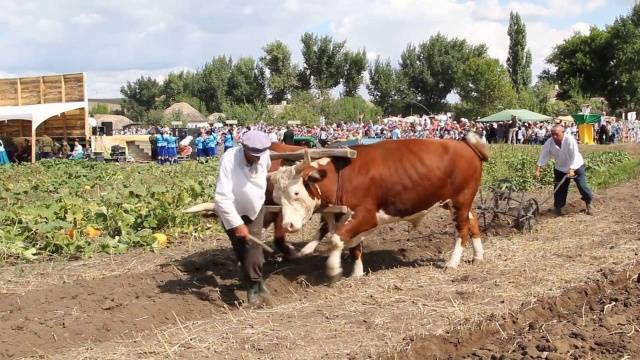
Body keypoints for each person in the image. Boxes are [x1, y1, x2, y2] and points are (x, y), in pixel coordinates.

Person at [214, 130, 272, 307]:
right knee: (240, 248)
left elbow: (265, 171)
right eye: (254, 154)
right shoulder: (229, 159)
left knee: (253, 249)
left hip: (255, 209)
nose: (258, 158)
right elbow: (222, 196)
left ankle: (253, 290)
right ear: (244, 148)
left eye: (260, 154)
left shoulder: (264, 154)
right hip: (232, 210)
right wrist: (237, 223)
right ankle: (255, 279)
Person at [535, 124, 593, 216]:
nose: (554, 136)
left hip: (576, 166)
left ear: (563, 133)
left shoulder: (570, 140)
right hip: (560, 168)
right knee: (559, 190)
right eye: (552, 134)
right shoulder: (549, 143)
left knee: (582, 186)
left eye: (556, 134)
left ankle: (588, 203)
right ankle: (558, 208)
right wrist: (538, 169)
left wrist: (572, 169)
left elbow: (574, 156)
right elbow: (543, 156)